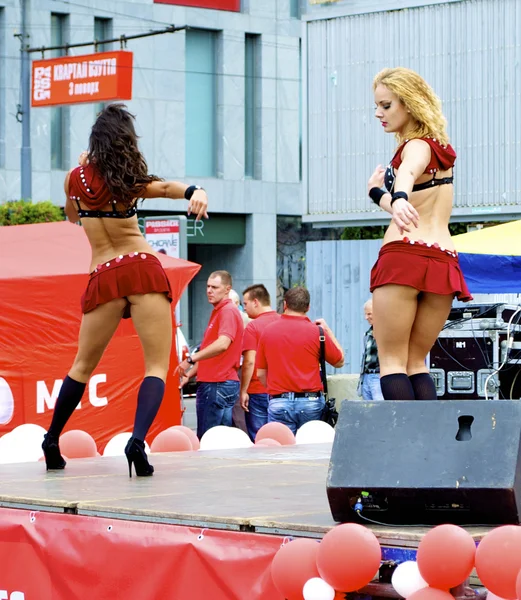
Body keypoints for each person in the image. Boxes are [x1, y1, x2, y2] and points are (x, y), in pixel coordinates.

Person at [41, 104, 208, 476]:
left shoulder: (76, 179)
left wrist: (79, 170)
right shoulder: (127, 180)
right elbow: (166, 188)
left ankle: (51, 439)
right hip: (141, 268)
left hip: (103, 274)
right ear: (126, 142)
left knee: (82, 366)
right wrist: (195, 191)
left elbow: (71, 216)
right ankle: (137, 440)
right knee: (154, 366)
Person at [368, 67, 472, 401]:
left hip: (404, 255)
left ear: (409, 104)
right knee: (417, 363)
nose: (378, 113)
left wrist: (396, 196)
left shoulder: (414, 145)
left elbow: (408, 173)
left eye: (386, 105)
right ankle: (431, 450)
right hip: (441, 259)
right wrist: (379, 195)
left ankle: (405, 449)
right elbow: (417, 203)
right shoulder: (441, 149)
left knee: (393, 361)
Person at [256, 286, 344, 434]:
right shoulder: (317, 333)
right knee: (311, 449)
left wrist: (278, 392)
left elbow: (260, 374)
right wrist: (327, 330)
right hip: (310, 402)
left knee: (281, 451)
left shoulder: (268, 331)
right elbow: (339, 361)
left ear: (285, 304)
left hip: (279, 401)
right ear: (308, 307)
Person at [178, 270, 243, 439]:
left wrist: (190, 359)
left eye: (214, 287)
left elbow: (223, 344)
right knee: (219, 440)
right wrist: (190, 374)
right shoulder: (220, 311)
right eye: (207, 286)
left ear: (227, 289)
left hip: (217, 383)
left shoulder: (227, 310)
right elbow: (211, 353)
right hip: (220, 381)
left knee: (208, 440)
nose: (209, 290)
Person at [240, 284, 281, 440]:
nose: (244, 308)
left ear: (255, 302)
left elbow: (249, 362)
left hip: (258, 389)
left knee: (260, 439)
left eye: (245, 303)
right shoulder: (283, 321)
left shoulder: (253, 326)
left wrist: (243, 390)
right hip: (281, 390)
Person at [357, 299, 384, 401]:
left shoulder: (387, 331)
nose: (366, 317)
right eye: (365, 314)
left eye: (369, 314)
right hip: (366, 376)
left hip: (378, 376)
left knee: (379, 409)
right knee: (367, 410)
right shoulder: (368, 333)